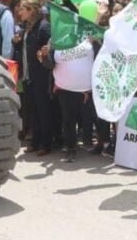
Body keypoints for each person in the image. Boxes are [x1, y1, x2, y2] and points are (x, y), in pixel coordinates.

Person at [39, 35, 98, 163]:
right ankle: (71, 148)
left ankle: (96, 144)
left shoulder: (88, 38)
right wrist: (44, 55)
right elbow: (49, 65)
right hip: (65, 89)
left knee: (90, 117)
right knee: (68, 120)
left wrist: (97, 40)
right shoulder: (56, 40)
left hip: (87, 89)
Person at [15, 0, 53, 156]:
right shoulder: (25, 27)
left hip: (40, 75)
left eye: (23, 9)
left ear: (31, 11)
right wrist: (16, 42)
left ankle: (46, 144)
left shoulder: (43, 27)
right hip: (28, 75)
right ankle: (35, 141)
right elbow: (24, 49)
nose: (20, 12)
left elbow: (49, 47)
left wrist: (45, 51)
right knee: (33, 110)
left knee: (43, 110)